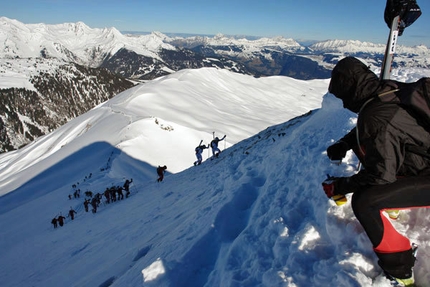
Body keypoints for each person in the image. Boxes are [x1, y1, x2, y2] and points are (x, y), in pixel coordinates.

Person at [322, 56, 430, 286]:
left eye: (343, 96)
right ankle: (394, 203)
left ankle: (400, 271)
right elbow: (387, 129)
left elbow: (381, 175)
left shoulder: (374, 115)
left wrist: (341, 186)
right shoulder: (389, 91)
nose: (343, 103)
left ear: (351, 90)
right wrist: (344, 143)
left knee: (365, 201)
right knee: (377, 161)